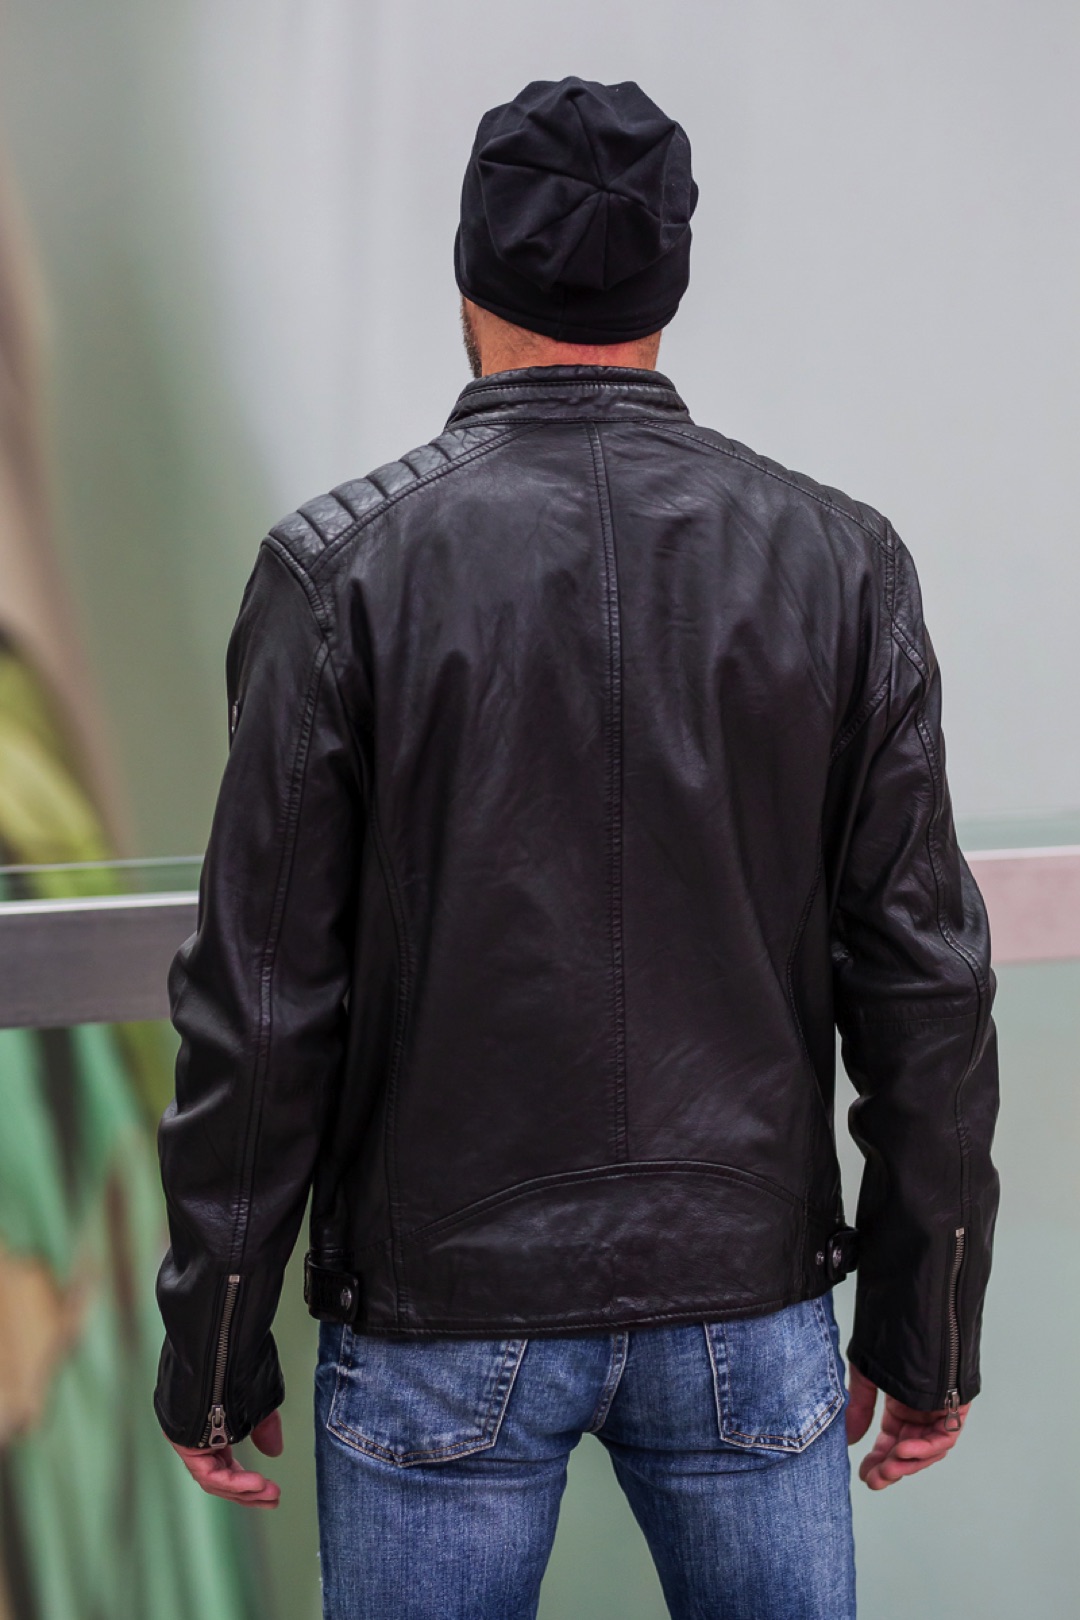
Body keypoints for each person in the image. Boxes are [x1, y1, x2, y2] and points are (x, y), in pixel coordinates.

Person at [155, 76, 1000, 1620]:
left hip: (437, 1315)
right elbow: (925, 987)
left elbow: (263, 1004)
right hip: (748, 1307)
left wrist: (214, 1338)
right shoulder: (842, 563)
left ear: (468, 274)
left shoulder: (339, 575)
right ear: (670, 280)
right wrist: (927, 1324)